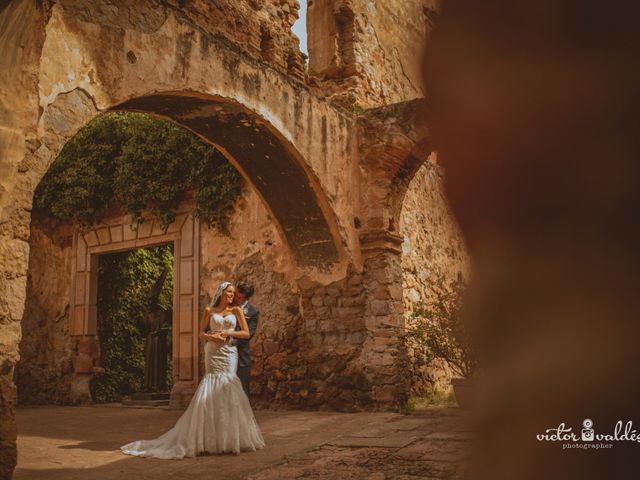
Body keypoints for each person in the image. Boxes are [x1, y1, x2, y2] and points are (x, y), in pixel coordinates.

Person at [120, 281, 265, 458]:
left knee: (229, 386)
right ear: (221, 293)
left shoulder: (236, 311)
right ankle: (207, 438)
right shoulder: (209, 311)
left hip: (229, 353)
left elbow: (245, 333)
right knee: (211, 384)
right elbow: (200, 333)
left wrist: (228, 334)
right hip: (213, 351)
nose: (231, 295)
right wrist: (211, 336)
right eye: (228, 292)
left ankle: (230, 438)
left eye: (233, 293)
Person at [232, 282, 259, 400]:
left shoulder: (253, 312)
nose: (236, 298)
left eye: (239, 297)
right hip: (224, 352)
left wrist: (231, 340)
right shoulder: (227, 305)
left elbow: (249, 335)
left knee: (243, 389)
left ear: (245, 298)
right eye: (235, 295)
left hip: (242, 354)